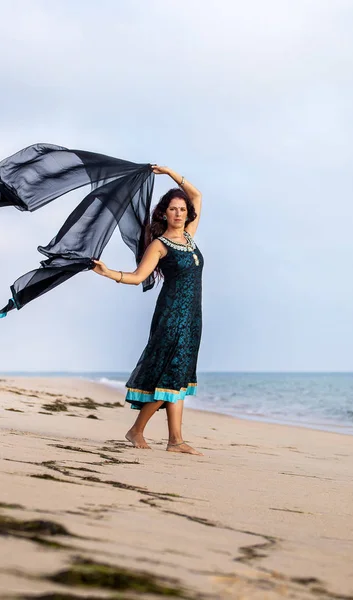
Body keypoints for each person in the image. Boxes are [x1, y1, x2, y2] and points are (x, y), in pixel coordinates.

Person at [92, 165, 203, 455]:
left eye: (182, 209)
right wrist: (109, 273)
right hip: (172, 316)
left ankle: (175, 440)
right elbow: (138, 277)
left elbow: (197, 195)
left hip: (192, 317)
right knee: (170, 374)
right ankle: (137, 430)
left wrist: (169, 173)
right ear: (164, 213)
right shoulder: (159, 244)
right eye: (173, 209)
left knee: (178, 375)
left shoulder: (190, 237)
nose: (179, 213)